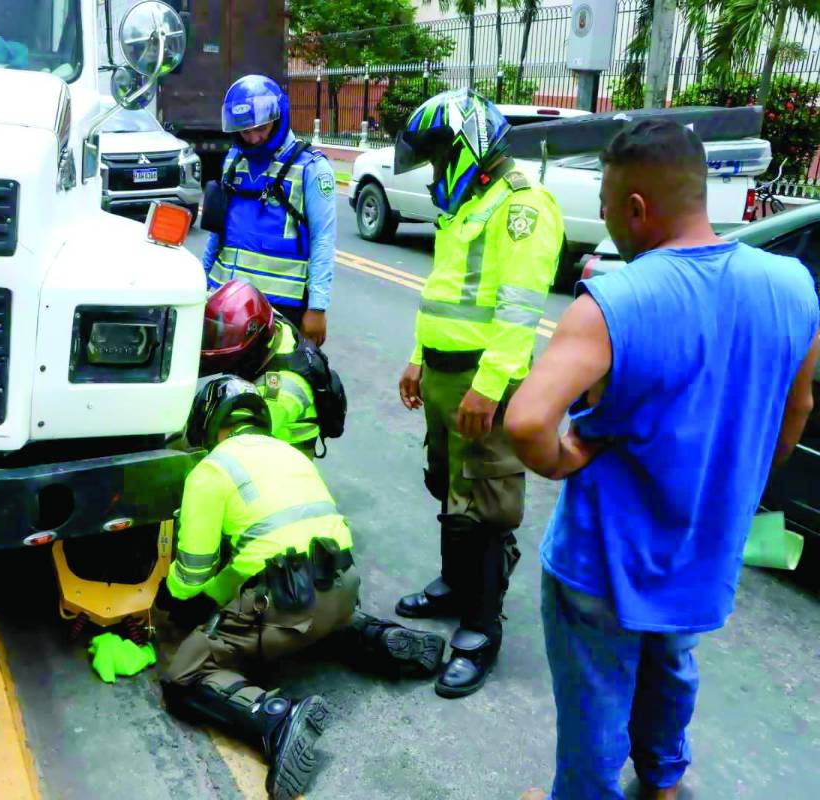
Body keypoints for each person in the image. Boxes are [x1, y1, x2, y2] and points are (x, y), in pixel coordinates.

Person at [505, 120, 820, 800]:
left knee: (596, 699)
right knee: (672, 665)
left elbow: (529, 421)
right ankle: (663, 784)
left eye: (613, 208)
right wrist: (732, 483)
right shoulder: (794, 286)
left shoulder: (615, 302)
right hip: (704, 548)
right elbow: (795, 410)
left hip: (603, 560)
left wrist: (563, 460)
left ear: (637, 208)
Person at [158, 375, 446, 800]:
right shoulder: (291, 455)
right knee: (312, 618)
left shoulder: (210, 470)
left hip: (286, 602)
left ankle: (275, 719)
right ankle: (380, 639)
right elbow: (273, 546)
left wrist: (171, 601)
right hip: (343, 585)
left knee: (182, 674)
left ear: (205, 421)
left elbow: (192, 577)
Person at [391, 88, 565, 698]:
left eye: (440, 156)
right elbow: (443, 290)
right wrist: (418, 358)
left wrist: (489, 389)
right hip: (441, 374)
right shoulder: (467, 203)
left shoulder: (522, 206)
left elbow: (520, 312)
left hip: (481, 381)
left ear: (468, 145)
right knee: (446, 484)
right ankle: (453, 582)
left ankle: (481, 626)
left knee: (485, 503)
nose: (437, 170)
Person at [201, 75, 337, 346]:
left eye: (260, 128)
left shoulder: (311, 168)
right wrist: (200, 279)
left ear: (278, 117)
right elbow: (218, 230)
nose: (252, 138)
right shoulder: (233, 160)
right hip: (227, 299)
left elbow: (323, 239)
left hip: (280, 307)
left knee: (279, 384)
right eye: (244, 131)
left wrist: (318, 307)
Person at [199, 279, 345, 457]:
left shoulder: (279, 391)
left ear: (249, 338)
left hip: (284, 458)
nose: (215, 342)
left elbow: (236, 447)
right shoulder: (271, 324)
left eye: (222, 337)